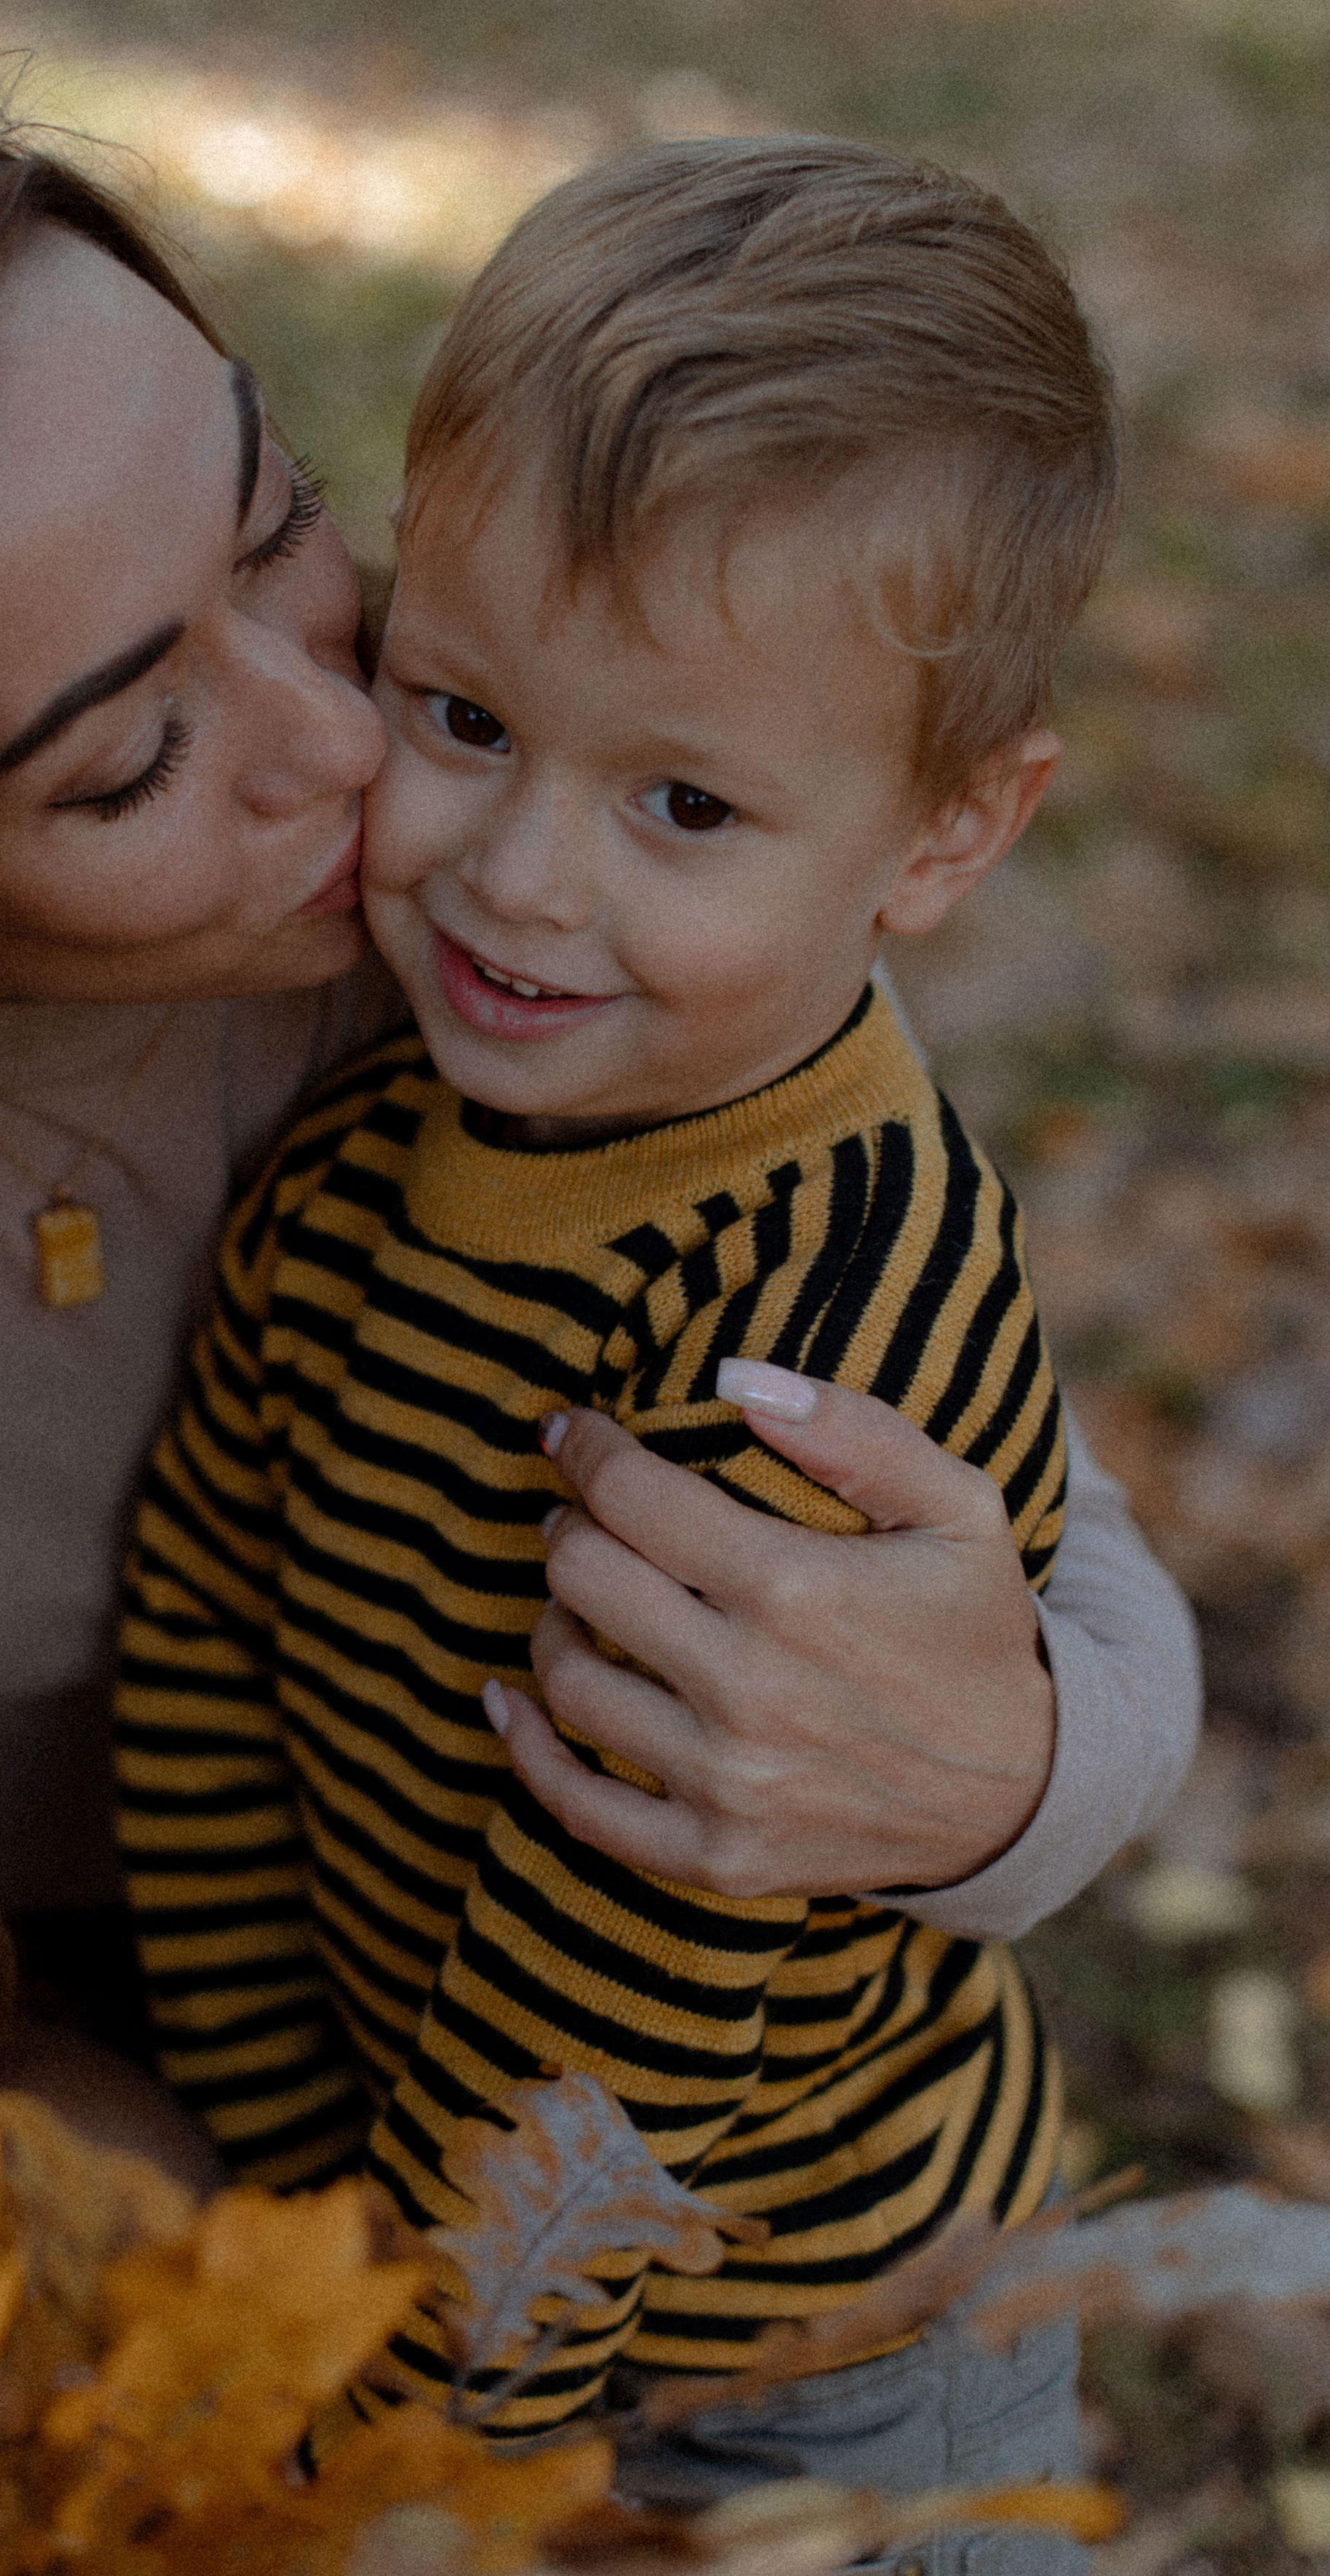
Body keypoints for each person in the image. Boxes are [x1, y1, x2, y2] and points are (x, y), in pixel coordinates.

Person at [0, 109, 1196, 2429]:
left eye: (280, 526)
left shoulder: (494, 946)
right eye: (136, 751)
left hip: (437, 1997)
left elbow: (1021, 1519)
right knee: (46, 2380)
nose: (348, 742)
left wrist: (1003, 1772)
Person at [113, 139, 1128, 2543]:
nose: (518, 874)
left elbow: (655, 1930)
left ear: (944, 838)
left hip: (825, 2352)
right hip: (425, 2271)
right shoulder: (369, 1171)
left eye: (682, 801)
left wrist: (451, 2385)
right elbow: (204, 1653)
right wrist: (292, 2199)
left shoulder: (819, 1314)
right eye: (458, 715)